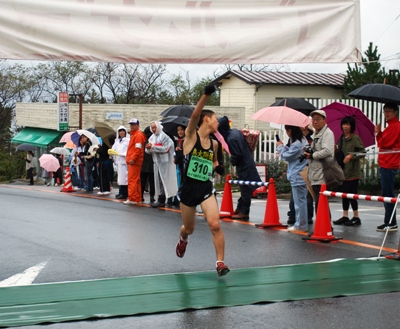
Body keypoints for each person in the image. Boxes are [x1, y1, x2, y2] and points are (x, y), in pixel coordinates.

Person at [175, 84, 230, 277]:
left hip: (206, 188)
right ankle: (183, 238)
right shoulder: (191, 136)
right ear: (207, 119)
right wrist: (206, 95)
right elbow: (194, 116)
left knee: (215, 224)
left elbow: (213, 161)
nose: (218, 123)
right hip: (189, 189)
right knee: (189, 228)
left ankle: (220, 263)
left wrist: (218, 167)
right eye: (216, 120)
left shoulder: (214, 144)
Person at [217, 116, 259, 221]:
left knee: (245, 188)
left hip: (244, 165)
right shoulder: (235, 132)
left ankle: (244, 212)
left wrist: (232, 162)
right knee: (245, 187)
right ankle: (240, 208)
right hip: (248, 161)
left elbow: (237, 154)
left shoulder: (231, 138)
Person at [333, 116, 366, 226]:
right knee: (344, 194)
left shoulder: (355, 138)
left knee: (352, 195)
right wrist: (336, 149)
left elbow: (363, 152)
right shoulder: (342, 138)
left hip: (352, 172)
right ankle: (345, 216)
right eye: (344, 124)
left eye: (347, 124)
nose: (345, 126)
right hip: (343, 171)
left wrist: (352, 156)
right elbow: (340, 152)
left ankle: (356, 217)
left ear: (352, 126)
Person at [277, 125, 308, 232]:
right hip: (300, 174)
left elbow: (287, 156)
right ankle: (301, 224)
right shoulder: (302, 140)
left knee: (299, 202)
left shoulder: (297, 144)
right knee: (301, 201)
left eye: (287, 130)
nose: (286, 132)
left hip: (297, 175)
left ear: (290, 131)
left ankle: (300, 225)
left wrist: (280, 147)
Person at [303, 109, 335, 215]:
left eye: (318, 119)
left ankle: (325, 228)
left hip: (322, 173)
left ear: (325, 121)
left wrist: (312, 155)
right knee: (319, 202)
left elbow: (327, 151)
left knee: (321, 202)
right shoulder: (316, 134)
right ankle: (323, 228)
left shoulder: (327, 134)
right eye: (313, 119)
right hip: (315, 173)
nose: (315, 122)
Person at [375, 103, 400, 232]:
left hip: (389, 163)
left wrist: (378, 134)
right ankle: (389, 221)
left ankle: (391, 222)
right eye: (385, 111)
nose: (386, 114)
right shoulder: (391, 126)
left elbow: (384, 144)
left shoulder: (394, 126)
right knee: (387, 193)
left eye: (389, 111)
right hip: (388, 162)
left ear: (395, 112)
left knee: (388, 194)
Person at [145, 121, 178, 208]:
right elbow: (148, 151)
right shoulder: (152, 137)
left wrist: (153, 147)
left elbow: (166, 149)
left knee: (164, 181)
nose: (154, 129)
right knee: (158, 182)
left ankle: (163, 200)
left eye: (155, 127)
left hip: (165, 163)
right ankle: (159, 199)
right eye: (152, 128)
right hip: (156, 162)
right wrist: (148, 148)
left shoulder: (164, 137)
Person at [287, 125, 314, 225]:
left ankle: (303, 222)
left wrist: (280, 147)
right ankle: (296, 218)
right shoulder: (298, 139)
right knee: (299, 199)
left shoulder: (306, 139)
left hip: (300, 173)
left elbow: (287, 155)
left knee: (302, 199)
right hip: (299, 172)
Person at [123, 118, 146, 205]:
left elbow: (137, 149)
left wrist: (133, 158)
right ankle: (137, 198)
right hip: (135, 160)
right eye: (131, 124)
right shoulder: (136, 135)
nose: (132, 126)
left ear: (138, 125)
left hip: (135, 161)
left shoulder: (138, 135)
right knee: (136, 180)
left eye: (134, 125)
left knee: (132, 180)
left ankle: (132, 198)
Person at [112, 126, 130, 200]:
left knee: (125, 178)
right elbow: (114, 149)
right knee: (120, 179)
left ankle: (124, 193)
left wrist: (121, 154)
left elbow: (128, 151)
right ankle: (120, 192)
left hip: (124, 161)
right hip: (118, 162)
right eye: (120, 131)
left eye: (123, 131)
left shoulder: (127, 141)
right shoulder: (117, 141)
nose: (122, 133)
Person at [140, 126, 155, 203]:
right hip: (152, 164)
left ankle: (141, 196)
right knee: (152, 182)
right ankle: (152, 197)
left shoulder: (143, 142)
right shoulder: (153, 141)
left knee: (142, 181)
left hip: (143, 164)